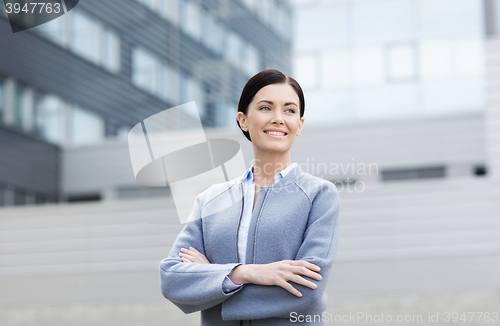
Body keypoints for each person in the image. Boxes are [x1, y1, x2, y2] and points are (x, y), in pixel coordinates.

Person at [159, 69, 340, 326]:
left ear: (299, 125)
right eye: (266, 108)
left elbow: (306, 292)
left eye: (289, 110)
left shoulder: (318, 195)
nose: (278, 118)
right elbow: (172, 280)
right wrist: (245, 273)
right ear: (243, 120)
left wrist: (212, 280)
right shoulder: (210, 200)